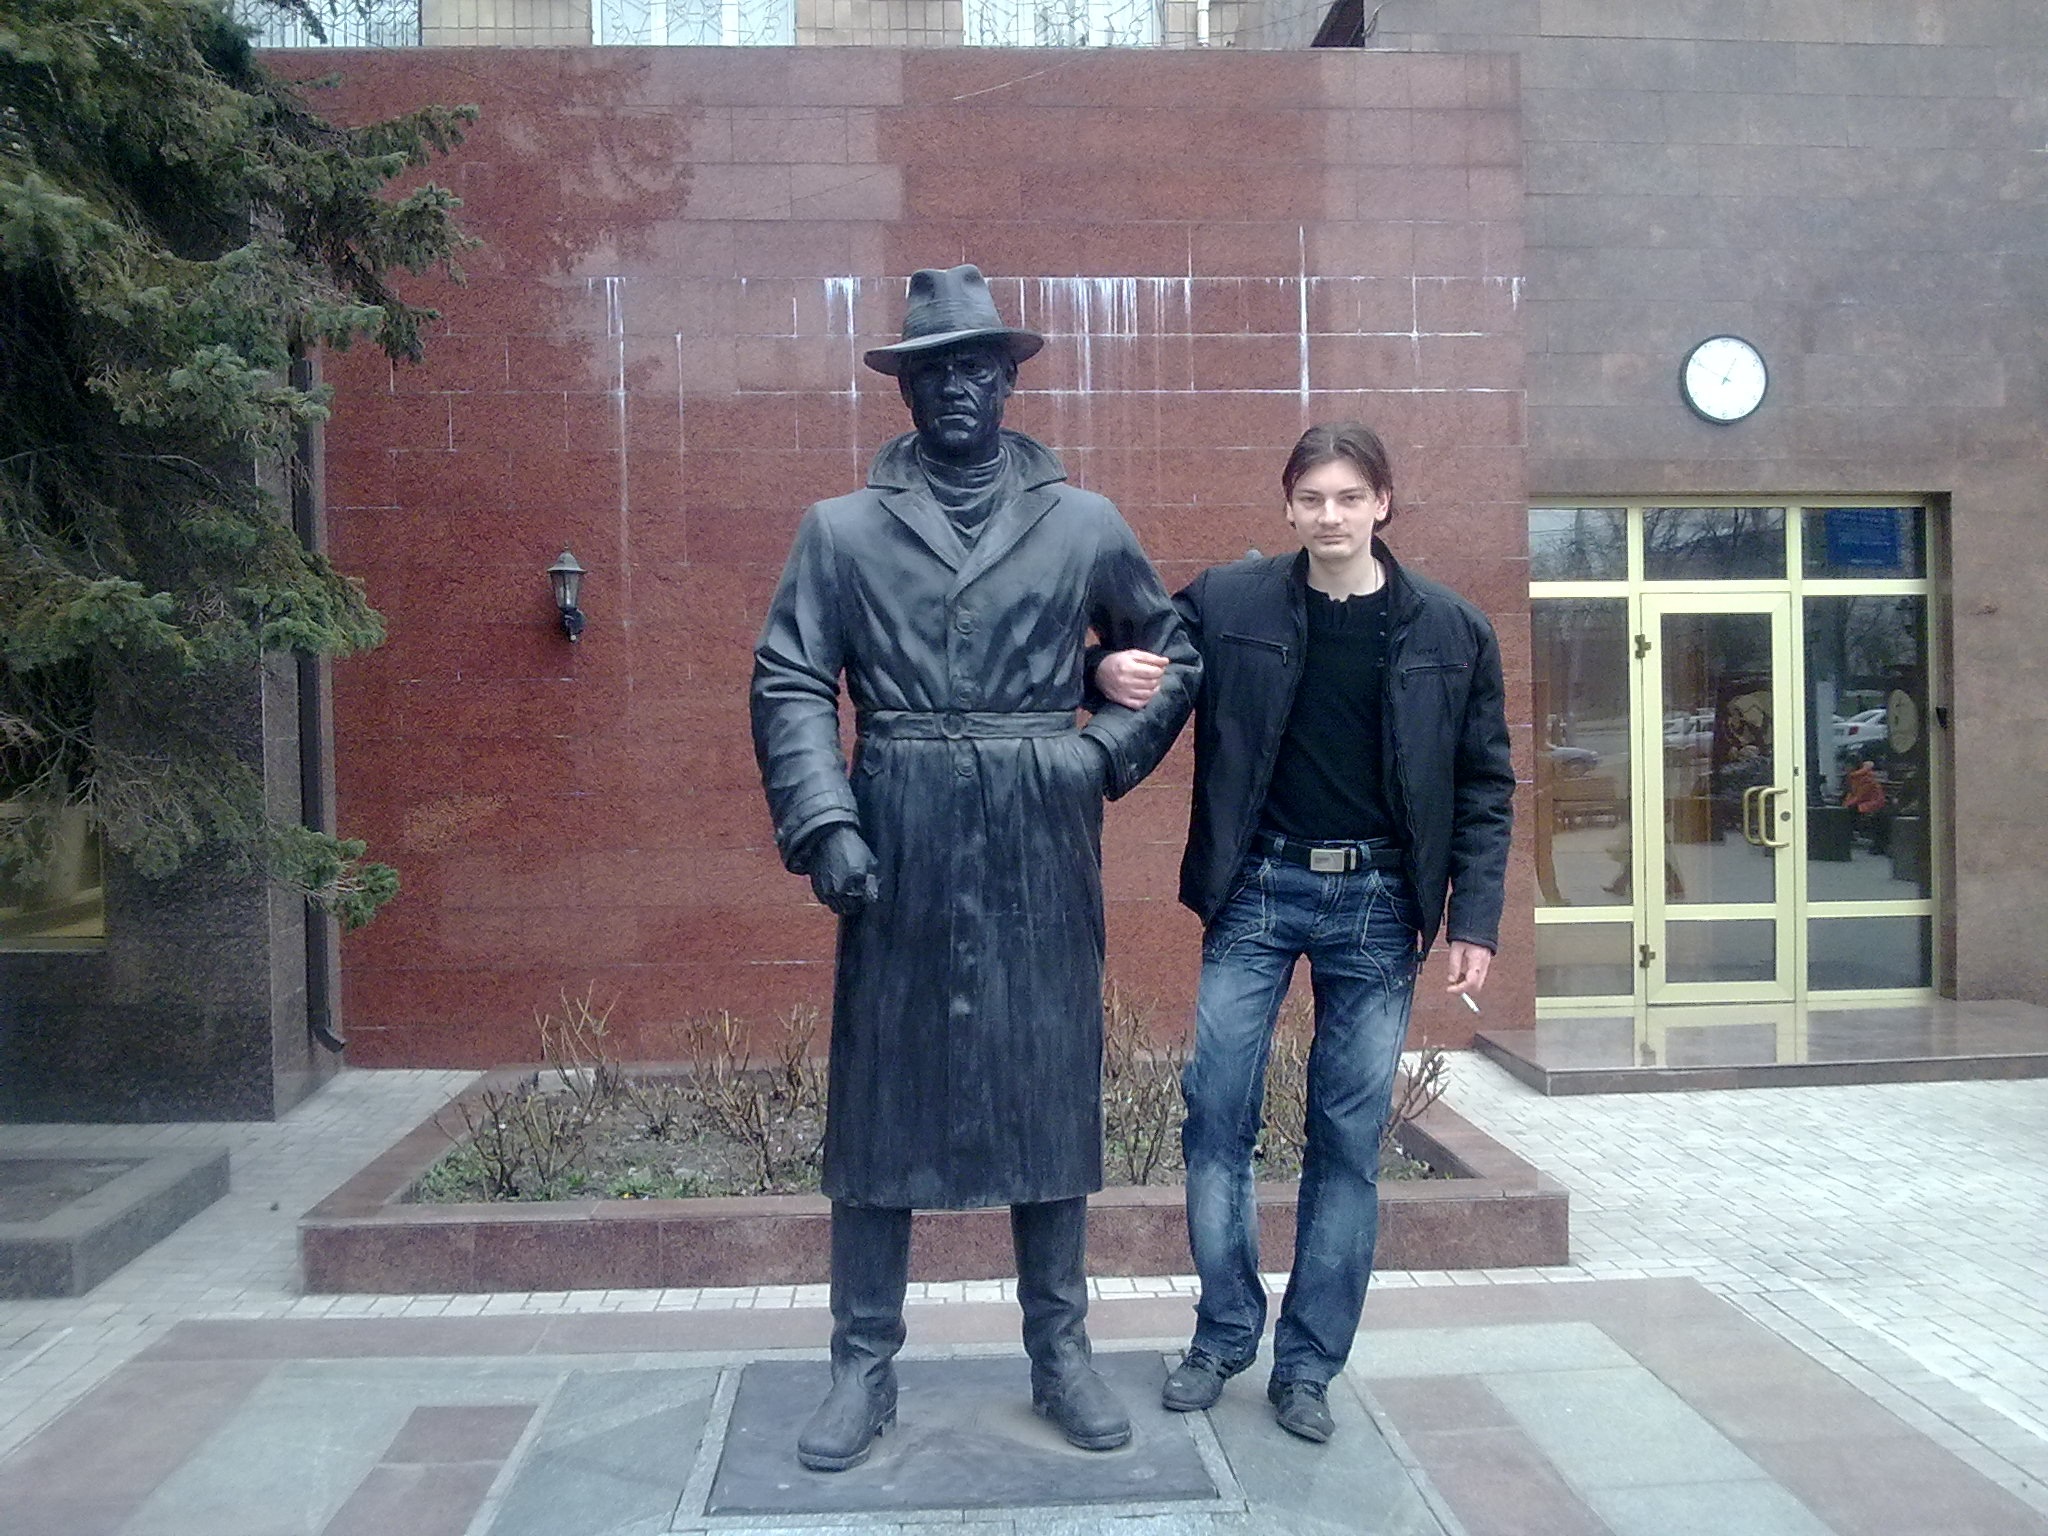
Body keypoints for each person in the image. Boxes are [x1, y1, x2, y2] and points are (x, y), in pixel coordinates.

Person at [751, 265, 1198, 1472]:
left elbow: (1169, 650)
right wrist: (825, 822)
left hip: (1037, 827)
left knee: (1047, 1085)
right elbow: (791, 677)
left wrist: (1096, 755)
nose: (958, 386)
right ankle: (861, 1365)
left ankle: (1060, 1352)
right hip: (897, 823)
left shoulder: (1083, 522)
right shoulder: (839, 529)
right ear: (906, 390)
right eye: (936, 369)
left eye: (978, 368)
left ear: (1008, 383)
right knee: (878, 1101)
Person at [1095, 420, 1513, 1443]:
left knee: (1346, 1142)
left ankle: (1308, 1366)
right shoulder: (1228, 603)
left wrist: (1475, 918)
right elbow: (1139, 655)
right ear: (1287, 506)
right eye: (1312, 497)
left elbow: (1484, 786)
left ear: (1382, 505)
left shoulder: (1452, 631)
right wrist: (1097, 673)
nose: (1330, 515)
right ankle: (1222, 1334)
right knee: (1214, 1116)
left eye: (1348, 497)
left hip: (1378, 903)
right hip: (1256, 889)